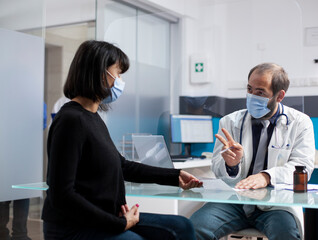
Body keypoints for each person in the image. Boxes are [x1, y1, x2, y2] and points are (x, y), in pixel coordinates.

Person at [41, 40, 203, 240]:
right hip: (74, 227)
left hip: (105, 217)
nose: (119, 81)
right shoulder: (71, 120)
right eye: (117, 74)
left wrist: (174, 176)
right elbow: (62, 195)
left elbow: (123, 165)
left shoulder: (93, 118)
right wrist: (119, 223)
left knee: (182, 227)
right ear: (99, 74)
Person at [190, 63, 315, 240]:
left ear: (279, 96)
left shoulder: (300, 123)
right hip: (233, 201)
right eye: (249, 89)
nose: (252, 96)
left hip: (276, 205)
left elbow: (302, 167)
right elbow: (217, 168)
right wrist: (230, 165)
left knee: (286, 235)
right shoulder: (229, 122)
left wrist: (266, 177)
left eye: (260, 92)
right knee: (193, 229)